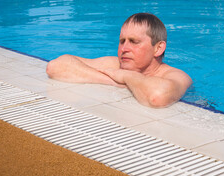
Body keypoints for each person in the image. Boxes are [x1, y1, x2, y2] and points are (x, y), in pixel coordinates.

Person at [46, 13, 192, 108]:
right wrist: (115, 82)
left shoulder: (177, 76)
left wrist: (126, 76)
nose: (124, 48)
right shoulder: (116, 64)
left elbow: (157, 97)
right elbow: (55, 66)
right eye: (122, 41)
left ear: (158, 48)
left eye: (134, 41)